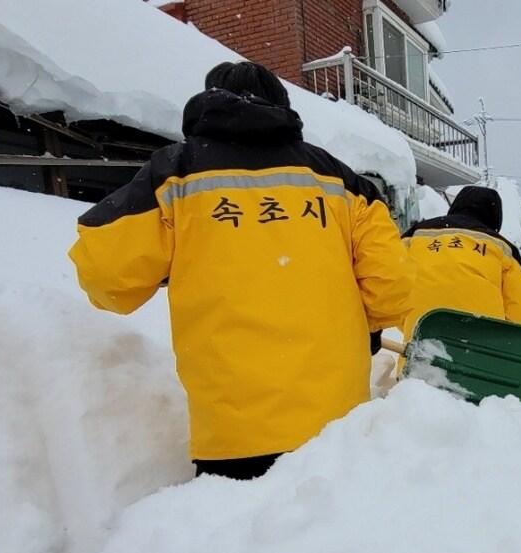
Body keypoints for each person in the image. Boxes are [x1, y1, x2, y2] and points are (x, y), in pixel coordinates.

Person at [69, 62, 410, 480]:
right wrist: (370, 327)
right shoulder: (340, 180)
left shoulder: (173, 175)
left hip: (234, 433)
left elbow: (105, 274)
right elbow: (391, 284)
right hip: (336, 427)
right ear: (283, 106)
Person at [402, 185, 521, 341]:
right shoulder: (500, 246)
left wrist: (412, 324)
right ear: (495, 218)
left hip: (418, 357)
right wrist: (502, 333)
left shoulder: (415, 235)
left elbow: (389, 283)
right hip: (483, 360)